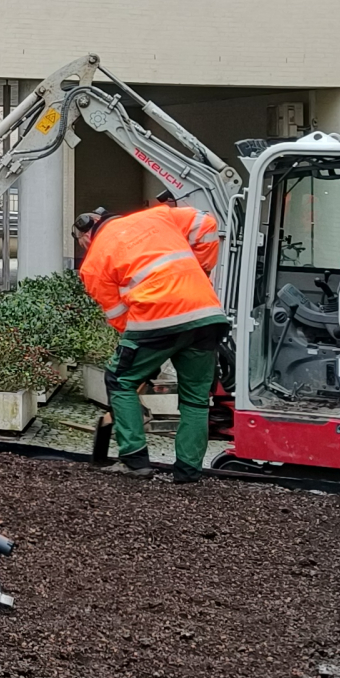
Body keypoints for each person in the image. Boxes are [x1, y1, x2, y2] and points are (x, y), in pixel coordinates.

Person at [76, 195, 229, 484]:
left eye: (81, 241)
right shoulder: (157, 216)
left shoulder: (94, 263)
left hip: (156, 320)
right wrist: (201, 270)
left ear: (87, 232)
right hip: (206, 313)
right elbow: (205, 223)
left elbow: (119, 317)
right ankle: (187, 473)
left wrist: (143, 358)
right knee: (196, 399)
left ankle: (135, 461)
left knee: (119, 380)